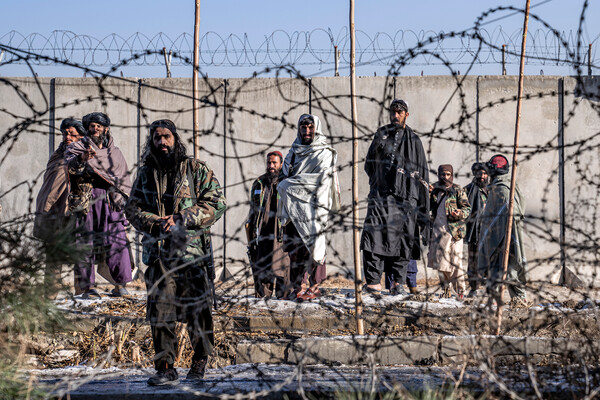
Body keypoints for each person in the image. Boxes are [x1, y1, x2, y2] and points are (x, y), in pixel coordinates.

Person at [126, 119, 226, 385]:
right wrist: (155, 222)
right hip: (160, 255)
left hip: (192, 254)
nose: (162, 142)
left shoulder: (195, 169)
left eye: (166, 137)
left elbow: (217, 202)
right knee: (160, 311)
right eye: (157, 137)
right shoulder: (146, 174)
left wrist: (182, 217)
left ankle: (199, 362)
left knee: (198, 309)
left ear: (175, 139)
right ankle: (166, 368)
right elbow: (132, 210)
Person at [361, 99, 430, 296]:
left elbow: (421, 171)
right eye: (393, 111)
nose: (396, 115)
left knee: (404, 239)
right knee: (373, 236)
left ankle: (397, 283)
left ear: (406, 114)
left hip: (405, 198)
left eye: (400, 112)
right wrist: (379, 182)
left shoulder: (414, 140)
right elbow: (369, 164)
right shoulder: (381, 134)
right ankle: (373, 283)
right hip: (381, 196)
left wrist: (419, 200)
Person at [64, 112, 133, 298]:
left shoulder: (115, 153)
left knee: (117, 242)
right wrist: (82, 159)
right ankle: (88, 288)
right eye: (91, 126)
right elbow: (69, 167)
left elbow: (123, 177)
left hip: (111, 201)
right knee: (84, 243)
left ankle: (120, 285)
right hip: (86, 200)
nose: (95, 129)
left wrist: (122, 197)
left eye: (98, 126)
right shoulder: (78, 148)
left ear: (106, 129)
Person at [277, 114, 340, 301]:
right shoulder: (294, 152)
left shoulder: (324, 153)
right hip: (294, 210)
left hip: (314, 207)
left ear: (316, 128)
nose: (307, 131)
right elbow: (284, 177)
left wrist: (290, 185)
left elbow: (320, 181)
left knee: (314, 247)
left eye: (310, 127)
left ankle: (314, 286)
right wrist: (289, 185)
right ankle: (299, 286)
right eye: (303, 127)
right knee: (295, 249)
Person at [33, 118, 85, 297]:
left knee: (79, 253)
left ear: (81, 136)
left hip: (74, 211)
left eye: (72, 134)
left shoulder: (84, 156)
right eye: (65, 133)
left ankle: (82, 293)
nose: (67, 137)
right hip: (53, 211)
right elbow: (51, 183)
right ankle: (50, 295)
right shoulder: (57, 156)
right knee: (53, 254)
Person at [478, 154, 528, 306]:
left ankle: (520, 301)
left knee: (511, 269)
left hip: (506, 237)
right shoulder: (499, 186)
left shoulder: (503, 189)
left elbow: (513, 213)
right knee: (495, 270)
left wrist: (507, 233)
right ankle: (494, 301)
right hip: (496, 236)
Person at [246, 151, 290, 299]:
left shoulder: (287, 182)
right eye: (269, 163)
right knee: (262, 265)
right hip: (263, 231)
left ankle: (284, 298)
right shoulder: (259, 182)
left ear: (281, 164)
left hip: (281, 231)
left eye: (274, 163)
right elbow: (253, 208)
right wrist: (251, 229)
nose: (271, 166)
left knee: (283, 265)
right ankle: (263, 297)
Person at [427, 164, 471, 299]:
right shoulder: (434, 189)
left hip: (455, 231)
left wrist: (459, 213)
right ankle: (446, 289)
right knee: (441, 262)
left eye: (448, 174)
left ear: (451, 175)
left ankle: (460, 291)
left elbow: (467, 209)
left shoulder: (458, 190)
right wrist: (429, 193)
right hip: (439, 230)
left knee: (456, 262)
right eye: (442, 174)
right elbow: (428, 207)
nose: (445, 177)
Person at [464, 162, 489, 296]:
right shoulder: (468, 190)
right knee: (474, 259)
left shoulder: (492, 190)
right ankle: (474, 287)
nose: (482, 176)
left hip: (490, 231)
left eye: (484, 173)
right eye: (479, 173)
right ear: (475, 174)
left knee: (491, 258)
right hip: (475, 230)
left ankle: (491, 287)